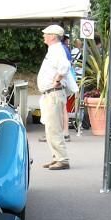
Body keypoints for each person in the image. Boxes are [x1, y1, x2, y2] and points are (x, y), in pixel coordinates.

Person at [37, 24, 71, 171]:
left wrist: (57, 80)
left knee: (54, 127)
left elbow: (64, 67)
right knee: (50, 127)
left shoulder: (57, 50)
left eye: (46, 34)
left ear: (52, 36)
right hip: (50, 93)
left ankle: (62, 159)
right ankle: (57, 157)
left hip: (53, 93)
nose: (44, 36)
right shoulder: (54, 50)